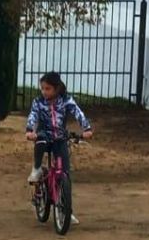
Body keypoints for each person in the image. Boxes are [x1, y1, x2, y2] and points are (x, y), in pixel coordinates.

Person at [23, 72, 95, 223]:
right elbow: (33, 115)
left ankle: (67, 210)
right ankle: (36, 169)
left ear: (56, 89)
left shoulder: (65, 100)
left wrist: (86, 128)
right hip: (44, 135)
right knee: (40, 143)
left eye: (47, 89)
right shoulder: (38, 102)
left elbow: (77, 112)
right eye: (42, 88)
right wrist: (30, 130)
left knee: (65, 174)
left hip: (60, 137)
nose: (44, 92)